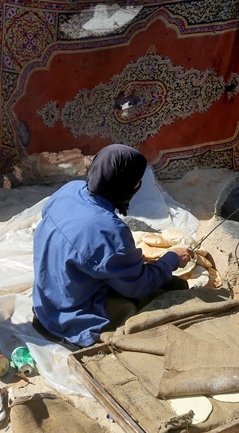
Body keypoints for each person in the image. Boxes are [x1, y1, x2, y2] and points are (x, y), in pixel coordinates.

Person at [32, 144, 189, 347]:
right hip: (72, 318)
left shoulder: (68, 190)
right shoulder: (109, 230)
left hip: (46, 302)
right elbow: (140, 286)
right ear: (132, 185)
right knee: (174, 289)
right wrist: (172, 259)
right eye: (137, 182)